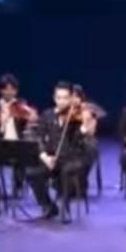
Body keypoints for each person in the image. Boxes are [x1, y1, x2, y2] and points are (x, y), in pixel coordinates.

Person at [26, 82, 89, 220]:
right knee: (32, 173)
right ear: (54, 98)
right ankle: (48, 205)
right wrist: (44, 156)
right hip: (51, 158)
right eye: (59, 98)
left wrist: (83, 128)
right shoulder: (47, 115)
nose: (62, 101)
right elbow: (38, 137)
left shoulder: (76, 117)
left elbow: (78, 142)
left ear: (71, 98)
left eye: (65, 98)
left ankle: (65, 207)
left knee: (66, 171)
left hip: (71, 158)